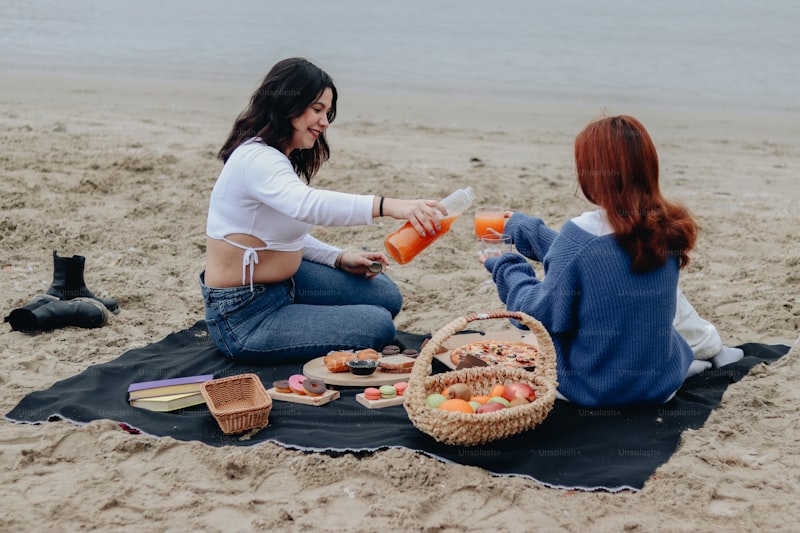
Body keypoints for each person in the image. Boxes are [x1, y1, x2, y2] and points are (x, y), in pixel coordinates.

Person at [481, 115, 742, 408]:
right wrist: (527, 229)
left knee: (533, 341)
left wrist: (505, 265)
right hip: (658, 386)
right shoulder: (666, 226)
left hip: (593, 389)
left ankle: (697, 357)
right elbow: (597, 264)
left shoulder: (579, 235)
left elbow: (537, 315)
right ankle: (693, 360)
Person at [200, 57, 446, 364]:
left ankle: (315, 316)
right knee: (378, 324)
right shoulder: (257, 159)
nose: (325, 122)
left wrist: (337, 257)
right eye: (317, 109)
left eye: (327, 112)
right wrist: (389, 206)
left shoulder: (273, 160)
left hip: (284, 284)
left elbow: (283, 236)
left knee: (385, 295)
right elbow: (309, 205)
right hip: (245, 317)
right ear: (287, 104)